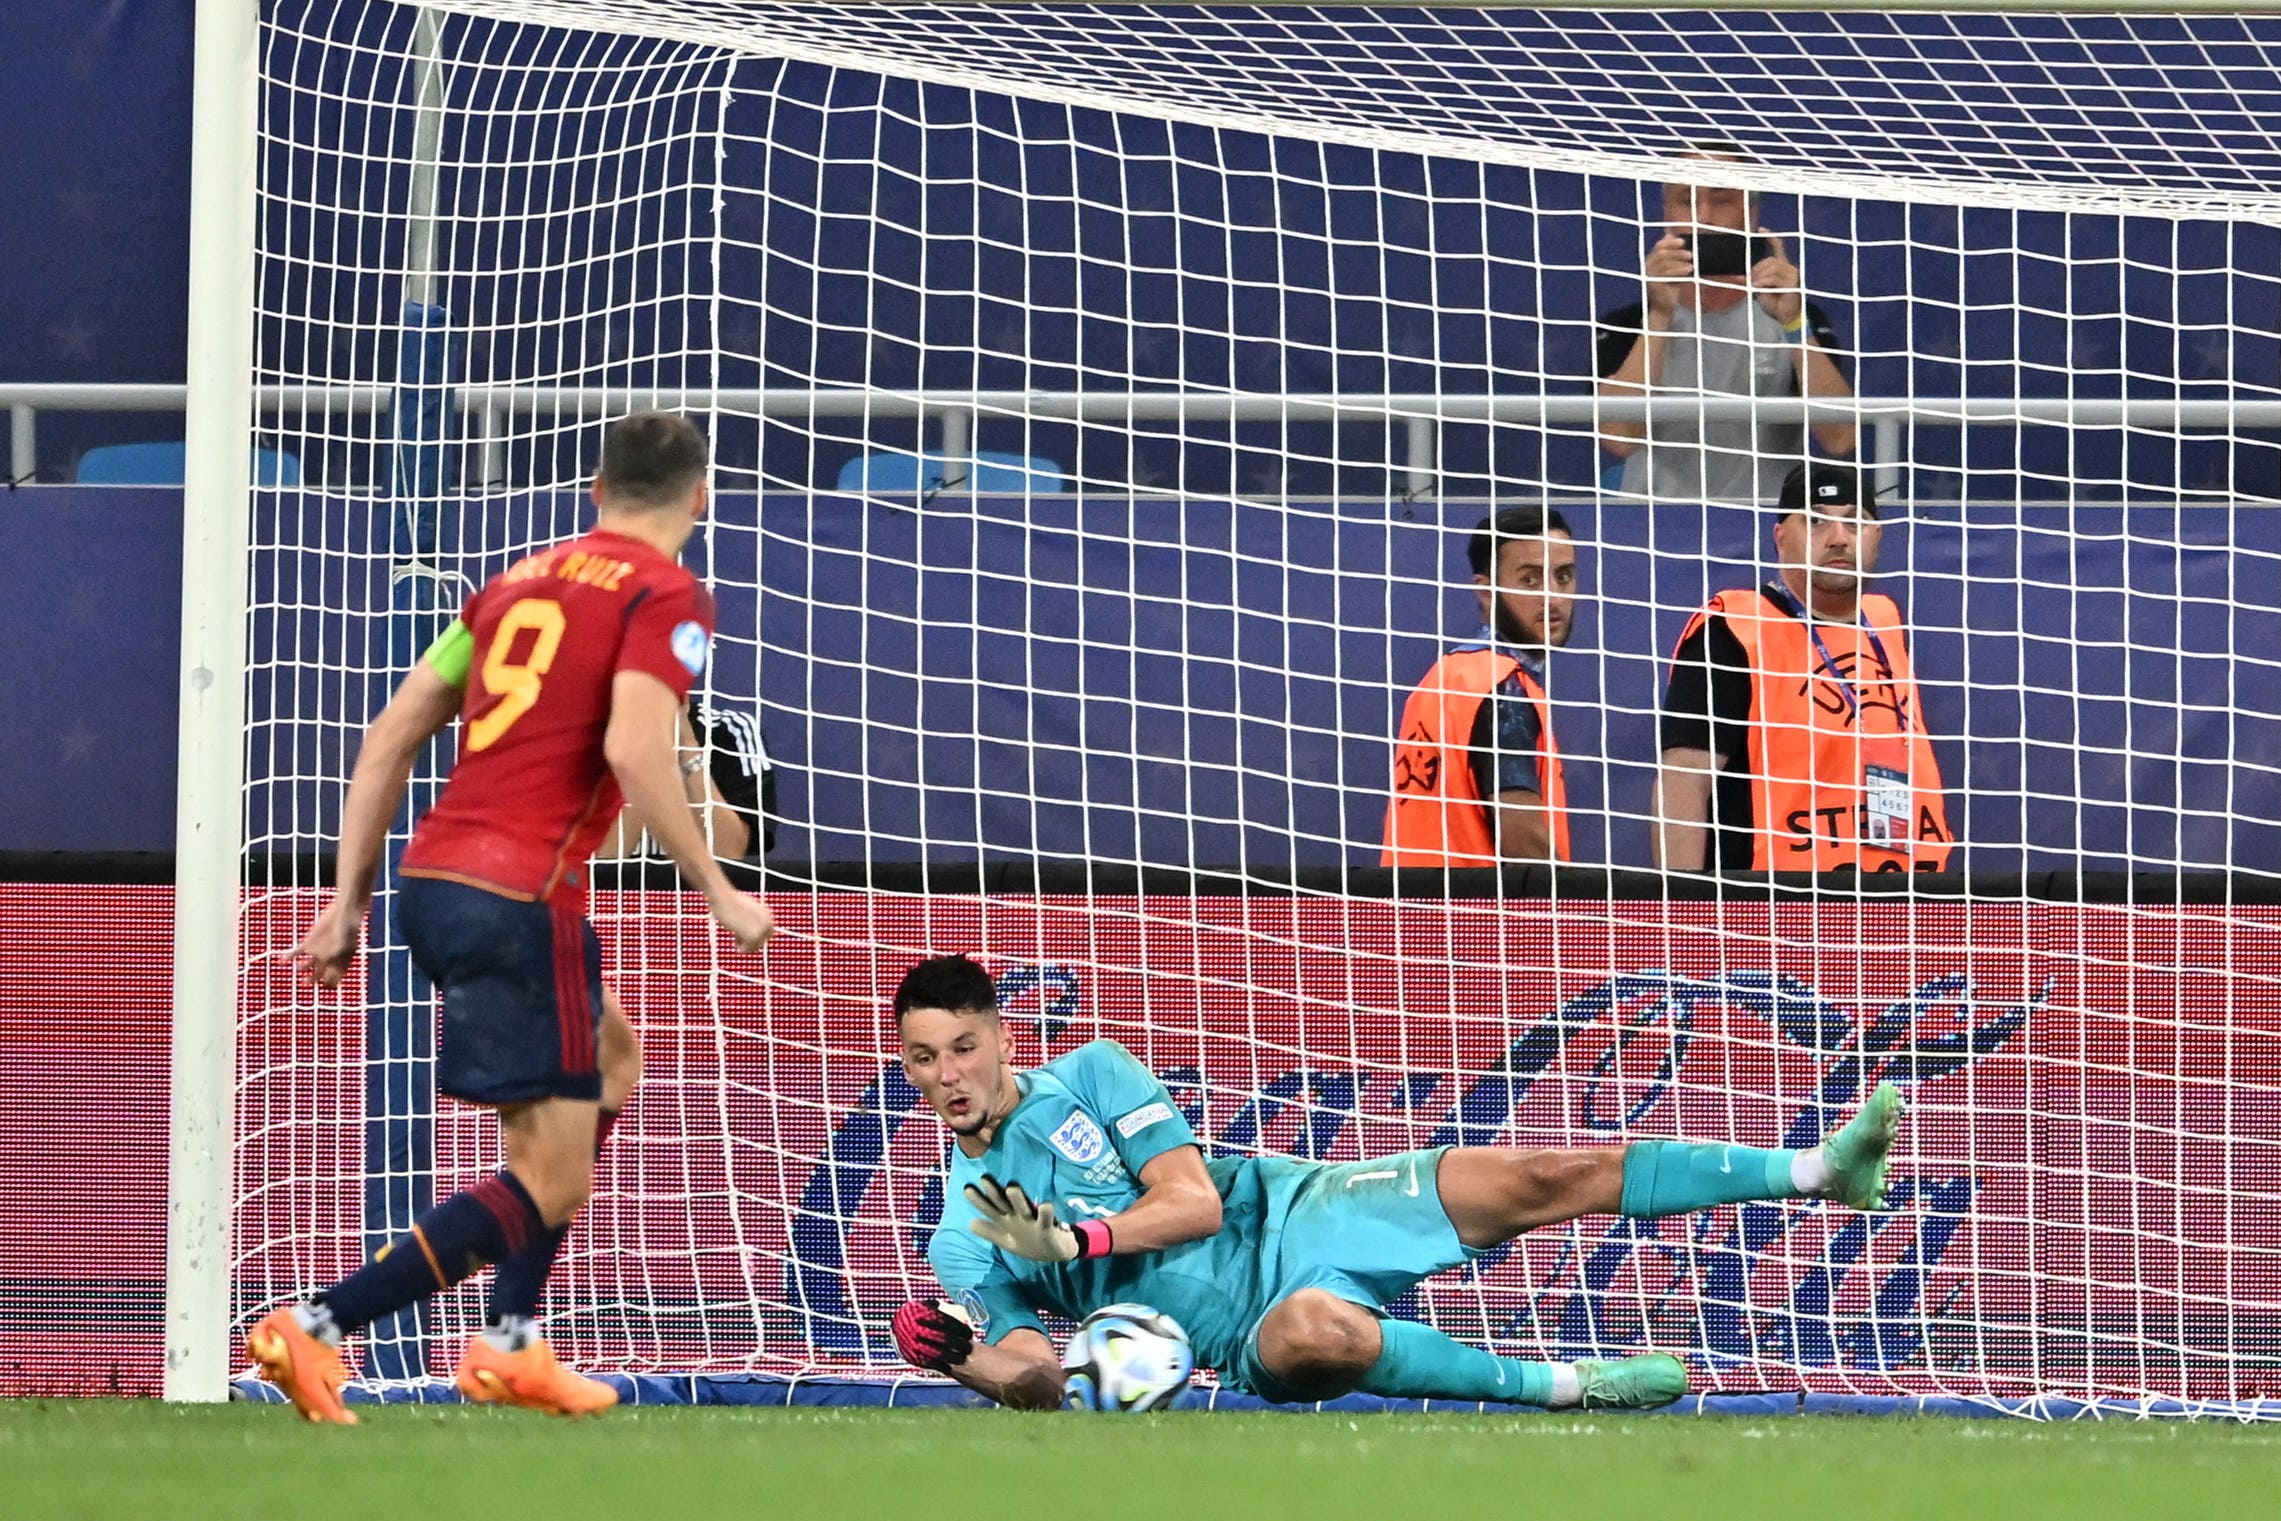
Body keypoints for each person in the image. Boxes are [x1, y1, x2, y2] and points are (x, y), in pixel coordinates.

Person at [257, 412, 775, 1424]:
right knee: (552, 1182)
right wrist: (718, 886)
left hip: (436, 881)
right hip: (523, 896)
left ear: (595, 489)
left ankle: (510, 1343)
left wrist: (346, 898)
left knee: (610, 1064)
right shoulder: (664, 593)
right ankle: (314, 1325)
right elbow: (634, 751)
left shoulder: (509, 586)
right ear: (700, 498)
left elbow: (392, 732)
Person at [886, 954, 1903, 1411]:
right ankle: (1566, 1387)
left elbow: (1191, 1201)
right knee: (1322, 1336)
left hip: (1290, 1206)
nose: (946, 1078)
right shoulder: (961, 1238)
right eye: (922, 1061)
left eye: (961, 1048)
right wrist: (957, 1357)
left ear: (1002, 1036)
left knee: (1544, 1171)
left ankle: (1819, 1168)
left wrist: (1076, 1246)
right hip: (1247, 1334)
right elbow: (1040, 1382)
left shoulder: (1095, 1071)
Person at [1653, 460, 1954, 874]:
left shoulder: (1885, 623)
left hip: (1906, 905)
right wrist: (1683, 910)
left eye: (1855, 523)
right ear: (1780, 537)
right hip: (1775, 913)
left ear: (1877, 537)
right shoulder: (1735, 629)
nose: (1838, 539)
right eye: (1815, 522)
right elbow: (1685, 780)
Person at [1595, 146, 1857, 505]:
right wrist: (1659, 315)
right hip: (1654, 532)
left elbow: (1841, 438)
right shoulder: (1626, 323)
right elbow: (1618, 439)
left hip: (1767, 529)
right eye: (1687, 201)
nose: (1704, 217)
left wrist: (1794, 323)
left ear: (1751, 214)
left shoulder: (1795, 316)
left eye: (1722, 201)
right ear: (1666, 215)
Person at [1383, 507, 1578, 865]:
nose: (1553, 597)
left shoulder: (1442, 678)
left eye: (1563, 576)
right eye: (1530, 580)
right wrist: (1572, 918)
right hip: (1483, 919)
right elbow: (1523, 842)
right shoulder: (1505, 688)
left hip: (1410, 915)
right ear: (1486, 591)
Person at [596, 698, 778, 864]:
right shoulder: (585, 737)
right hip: (616, 896)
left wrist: (686, 745)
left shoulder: (731, 730)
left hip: (698, 897)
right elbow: (601, 863)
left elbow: (727, 853)